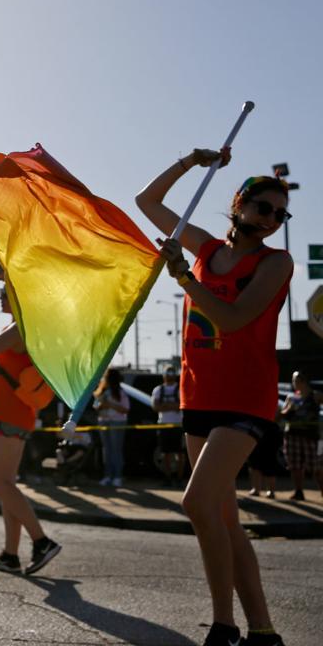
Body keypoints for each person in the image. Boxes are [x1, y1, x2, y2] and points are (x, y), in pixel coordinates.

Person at [137, 150, 293, 646]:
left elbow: (232, 318)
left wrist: (182, 277)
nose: (271, 220)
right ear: (239, 204)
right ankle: (263, 632)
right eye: (264, 209)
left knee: (198, 504)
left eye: (280, 214)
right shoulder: (204, 248)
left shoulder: (276, 262)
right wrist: (191, 160)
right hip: (198, 393)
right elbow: (148, 200)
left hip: (246, 398)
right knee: (225, 520)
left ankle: (223, 625)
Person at [0, 278, 60, 577]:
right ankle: (10, 554)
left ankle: (42, 541)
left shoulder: (20, 328)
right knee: (5, 485)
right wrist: (4, 272)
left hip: (10, 413)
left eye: (6, 294)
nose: (2, 298)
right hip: (11, 412)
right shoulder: (16, 327)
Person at [280, 372, 318, 502]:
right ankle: (298, 491)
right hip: (292, 434)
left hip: (310, 436)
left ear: (302, 381)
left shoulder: (315, 396)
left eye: (294, 380)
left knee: (317, 466)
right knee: (295, 465)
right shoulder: (291, 398)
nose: (293, 383)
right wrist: (289, 409)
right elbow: (282, 414)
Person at [93, 369, 130, 488]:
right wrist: (101, 405)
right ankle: (107, 476)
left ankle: (117, 476)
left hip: (117, 422)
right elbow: (95, 406)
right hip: (104, 422)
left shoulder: (121, 392)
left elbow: (126, 409)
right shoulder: (102, 392)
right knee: (107, 450)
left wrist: (110, 405)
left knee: (116, 450)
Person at [152, 368, 186, 486]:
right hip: (164, 425)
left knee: (180, 454)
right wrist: (172, 406)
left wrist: (165, 406)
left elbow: (181, 406)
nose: (169, 376)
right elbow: (156, 407)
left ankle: (180, 479)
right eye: (167, 373)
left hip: (178, 426)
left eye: (171, 373)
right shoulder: (158, 390)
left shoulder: (180, 388)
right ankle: (168, 478)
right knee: (165, 453)